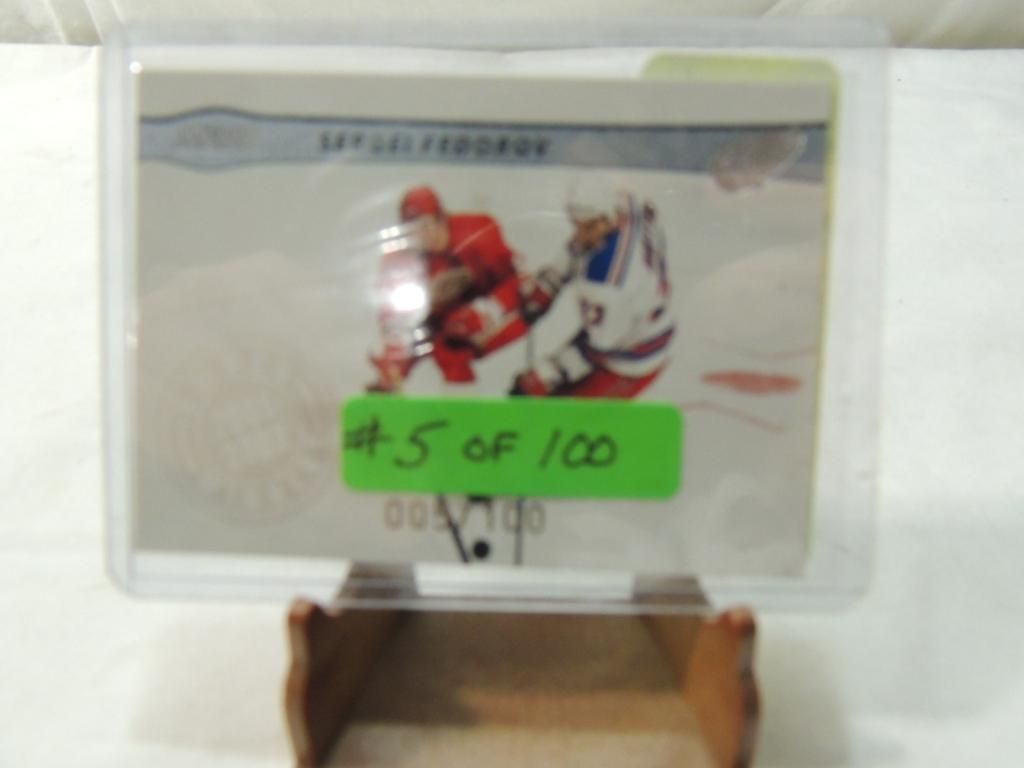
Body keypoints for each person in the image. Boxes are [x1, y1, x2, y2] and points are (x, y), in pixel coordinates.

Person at [369, 186, 558, 391]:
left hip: (506, 306)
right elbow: (394, 319)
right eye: (410, 228)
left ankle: (467, 396)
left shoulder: (476, 232)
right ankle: (438, 394)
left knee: (453, 341)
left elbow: (520, 280)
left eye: (424, 225)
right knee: (424, 343)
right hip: (451, 318)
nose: (418, 235)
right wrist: (393, 363)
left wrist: (487, 309)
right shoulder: (399, 257)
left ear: (441, 218)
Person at [510, 182, 674, 398]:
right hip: (638, 312)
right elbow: (582, 243)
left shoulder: (606, 282)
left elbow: (597, 348)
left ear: (608, 220)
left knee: (559, 412)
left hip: (633, 358)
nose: (579, 235)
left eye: (586, 227)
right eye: (576, 225)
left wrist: (546, 373)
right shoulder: (628, 208)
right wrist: (549, 283)